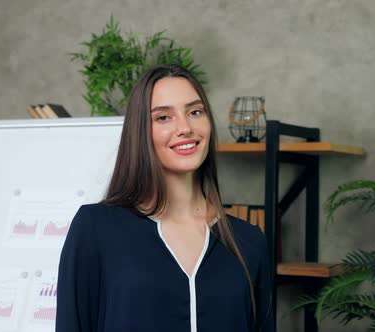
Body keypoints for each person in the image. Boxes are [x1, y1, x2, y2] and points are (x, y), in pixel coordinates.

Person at [56, 64, 274, 332]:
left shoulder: (249, 241)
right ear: (140, 132)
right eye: (163, 117)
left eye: (195, 112)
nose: (185, 128)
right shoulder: (96, 229)